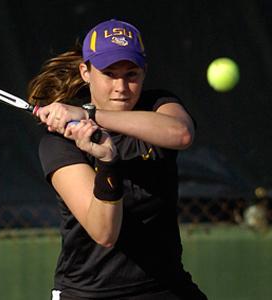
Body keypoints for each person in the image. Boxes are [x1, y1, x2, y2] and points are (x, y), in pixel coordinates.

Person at [27, 19, 207, 300]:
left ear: (144, 72)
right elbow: (104, 232)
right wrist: (108, 163)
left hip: (165, 286)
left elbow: (181, 134)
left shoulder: (159, 105)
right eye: (110, 74)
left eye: (131, 74)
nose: (121, 86)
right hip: (91, 293)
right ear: (86, 72)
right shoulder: (59, 143)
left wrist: (89, 114)